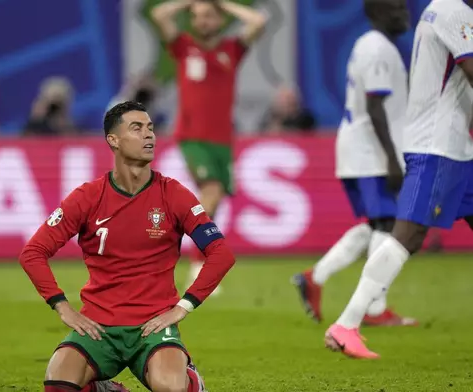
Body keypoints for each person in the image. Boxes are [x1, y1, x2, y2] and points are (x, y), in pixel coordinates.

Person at [20, 101, 235, 392]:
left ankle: (191, 381)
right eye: (137, 128)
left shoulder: (173, 194)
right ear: (114, 140)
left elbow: (222, 254)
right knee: (57, 383)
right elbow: (33, 253)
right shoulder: (88, 197)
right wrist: (62, 307)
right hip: (98, 325)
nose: (149, 135)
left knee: (171, 388)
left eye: (151, 128)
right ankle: (107, 388)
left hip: (154, 327)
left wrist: (182, 307)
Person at [325, 0, 473, 359]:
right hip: (437, 146)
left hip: (455, 146)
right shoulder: (456, 12)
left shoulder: (442, 9)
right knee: (407, 233)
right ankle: (347, 323)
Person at [292, 0, 417, 327]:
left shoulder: (369, 45)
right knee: (387, 224)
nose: (404, 14)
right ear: (376, 11)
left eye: (404, 8)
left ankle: (315, 276)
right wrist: (392, 158)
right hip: (370, 151)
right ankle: (375, 309)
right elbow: (375, 108)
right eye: (396, 8)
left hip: (360, 148)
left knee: (378, 223)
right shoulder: (377, 49)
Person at [151, 0, 267, 295]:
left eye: (209, 16)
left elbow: (258, 21)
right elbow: (159, 14)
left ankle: (171, 250)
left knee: (213, 201)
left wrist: (224, 5)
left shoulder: (231, 50)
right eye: (197, 17)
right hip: (192, 136)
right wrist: (189, 2)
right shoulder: (183, 46)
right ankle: (198, 266)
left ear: (220, 19)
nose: (202, 21)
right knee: (211, 192)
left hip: (222, 142)